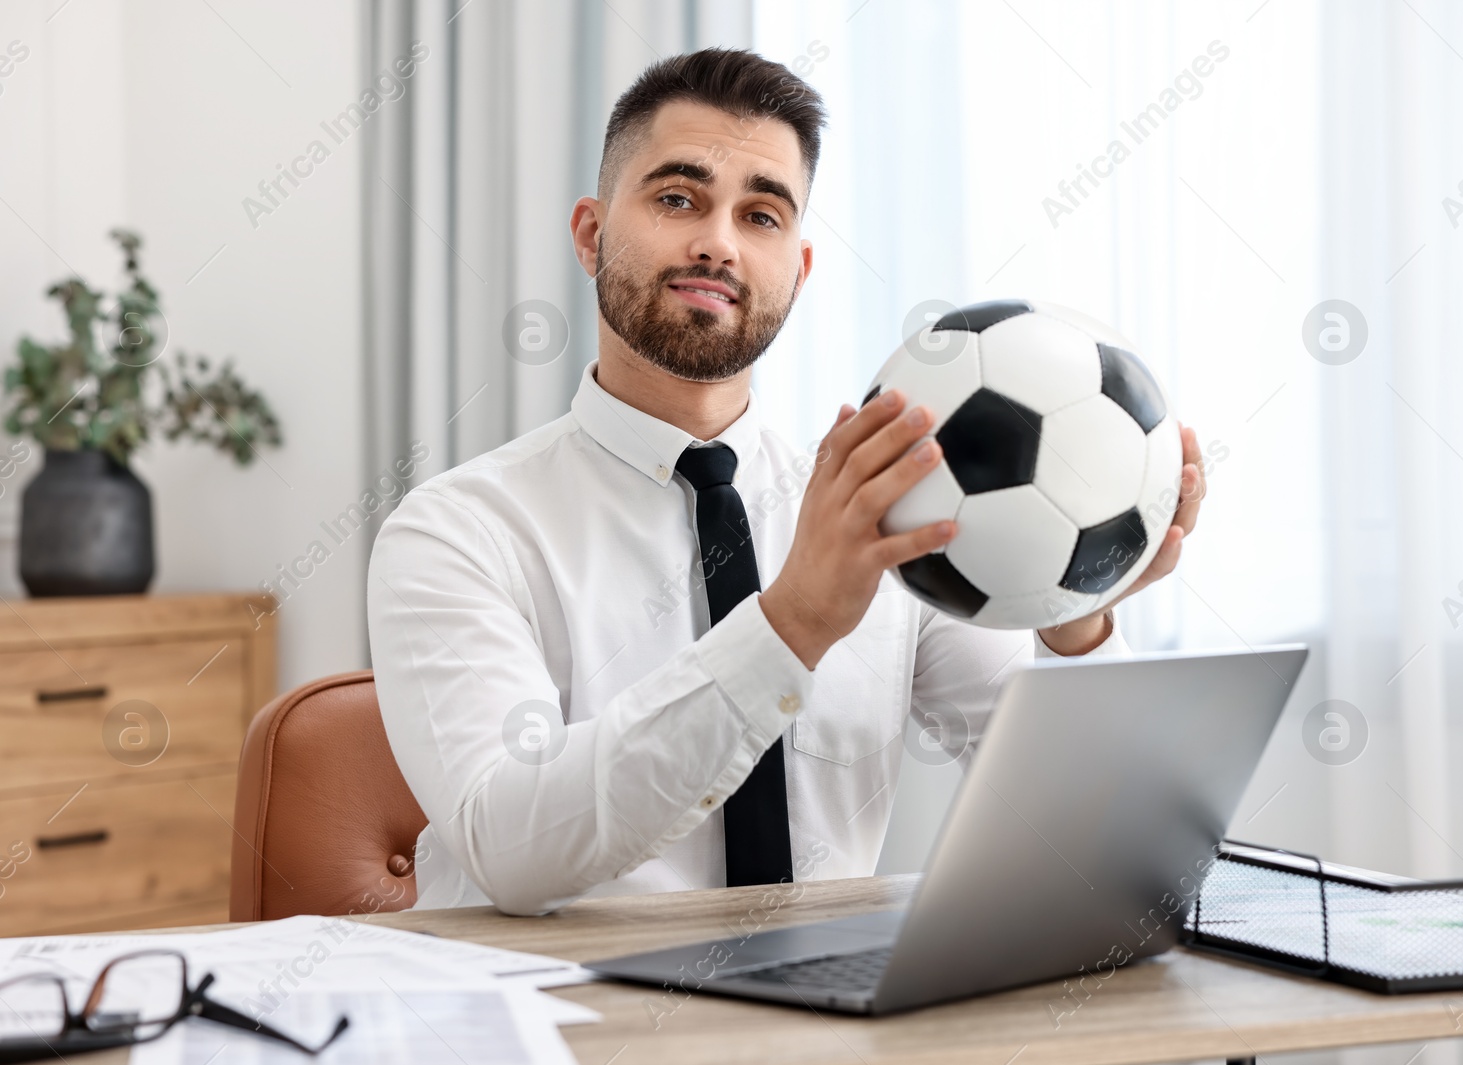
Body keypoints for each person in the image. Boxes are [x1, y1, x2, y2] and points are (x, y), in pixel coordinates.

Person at [367, 47, 1207, 916]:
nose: (717, 243)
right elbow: (511, 848)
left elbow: (1098, 831)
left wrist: (1076, 617)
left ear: (798, 271)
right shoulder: (456, 531)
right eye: (677, 198)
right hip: (557, 1029)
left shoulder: (898, 509)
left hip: (826, 1035)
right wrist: (793, 622)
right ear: (590, 234)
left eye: (762, 215)